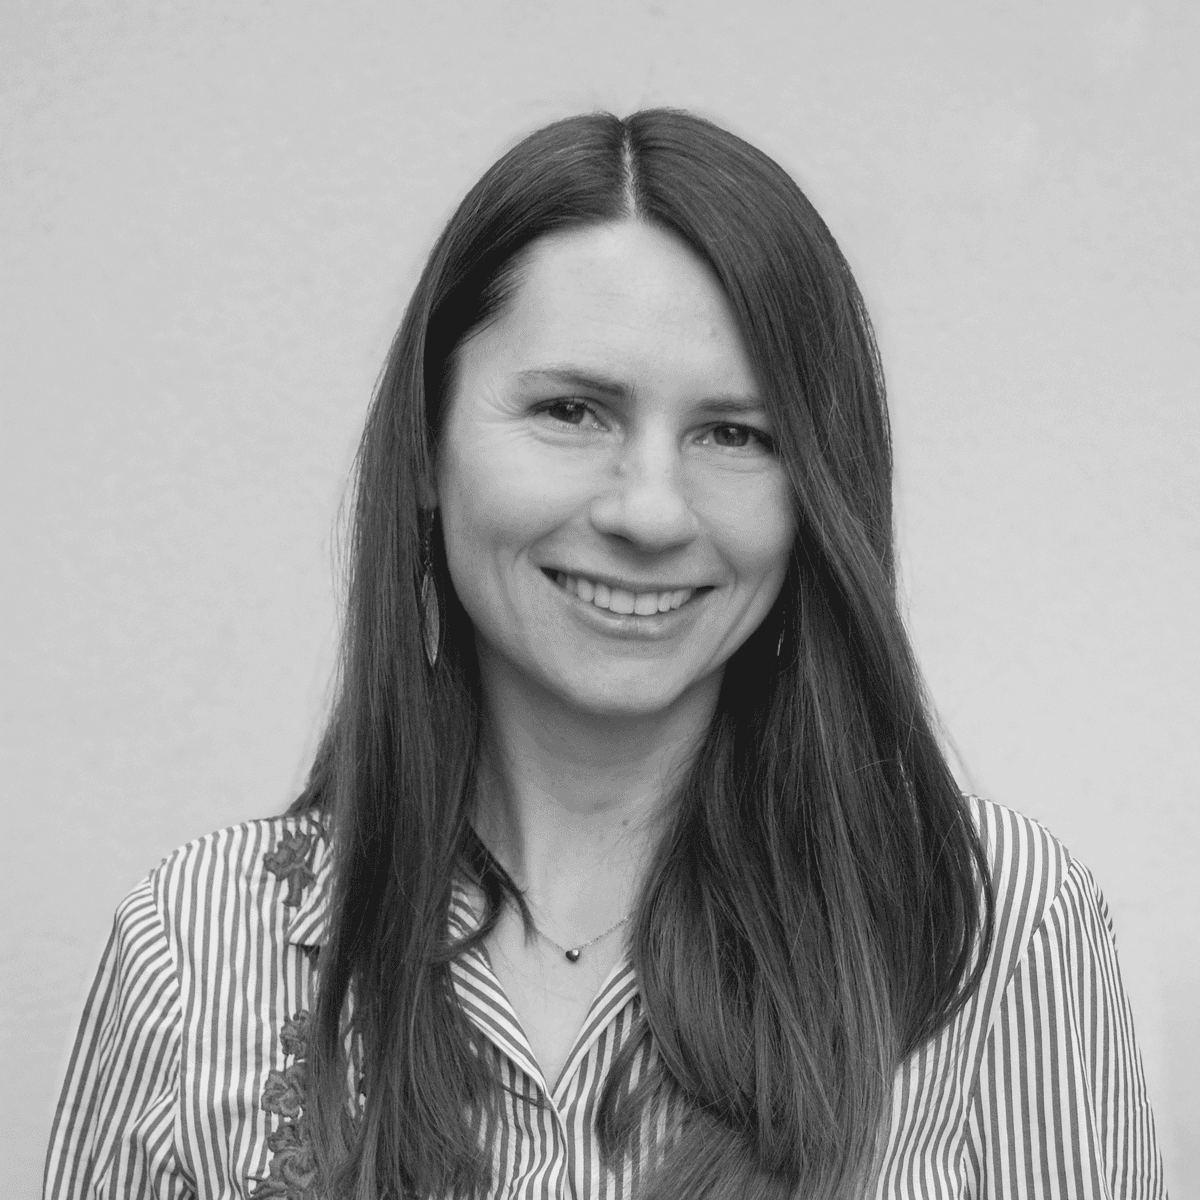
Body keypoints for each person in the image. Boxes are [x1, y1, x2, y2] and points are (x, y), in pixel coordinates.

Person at [43, 109, 1164, 1200]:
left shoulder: (994, 928)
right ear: (428, 450)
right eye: (574, 411)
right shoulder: (196, 944)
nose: (649, 511)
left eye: (736, 434)